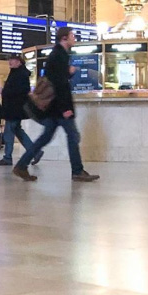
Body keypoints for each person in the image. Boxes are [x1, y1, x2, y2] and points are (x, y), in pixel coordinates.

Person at [13, 27, 99, 183]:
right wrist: (65, 108)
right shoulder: (59, 55)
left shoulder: (59, 55)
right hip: (59, 107)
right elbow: (59, 85)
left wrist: (68, 72)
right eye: (72, 36)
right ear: (64, 38)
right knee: (72, 136)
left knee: (46, 137)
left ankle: (22, 165)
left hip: (54, 107)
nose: (75, 38)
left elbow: (56, 78)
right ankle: (77, 171)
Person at [0, 54, 42, 167]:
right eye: (10, 60)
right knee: (18, 131)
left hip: (14, 109)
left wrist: (4, 92)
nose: (10, 62)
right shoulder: (17, 73)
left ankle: (7, 158)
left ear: (19, 62)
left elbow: (20, 91)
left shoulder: (20, 74)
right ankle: (35, 152)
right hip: (15, 109)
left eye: (13, 60)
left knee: (8, 133)